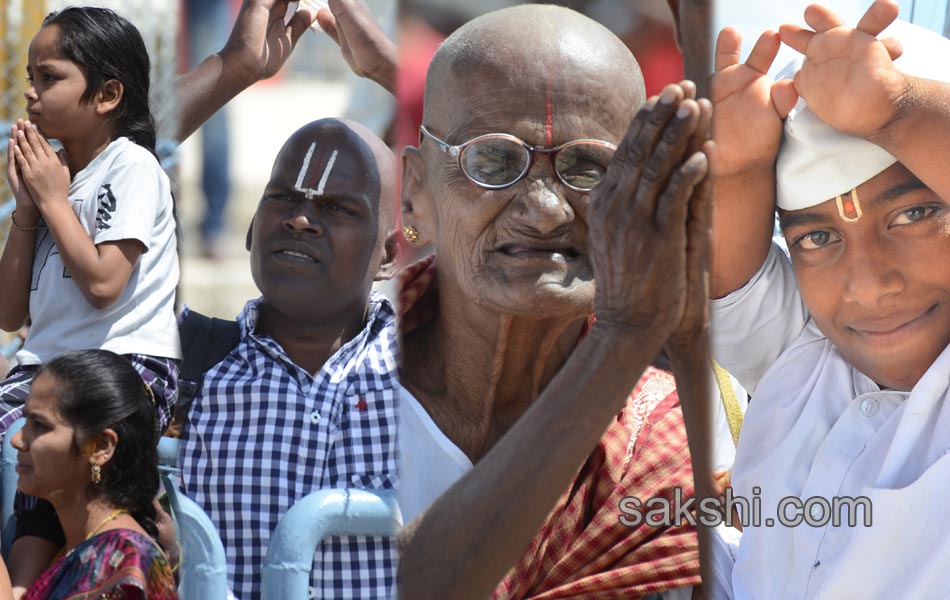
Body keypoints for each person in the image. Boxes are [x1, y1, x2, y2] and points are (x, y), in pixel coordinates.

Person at [396, 5, 714, 598]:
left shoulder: (668, 428)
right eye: (492, 161)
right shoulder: (329, 389)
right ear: (415, 192)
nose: (544, 210)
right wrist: (623, 336)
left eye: (588, 167)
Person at [709, 0, 950, 596]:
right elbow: (727, 280)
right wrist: (738, 170)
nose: (869, 286)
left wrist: (899, 111)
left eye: (915, 214)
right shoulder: (805, 356)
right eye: (817, 238)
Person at [178, 117, 399, 599]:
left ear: (390, 253)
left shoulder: (435, 376)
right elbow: (105, 169)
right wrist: (233, 71)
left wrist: (395, 73)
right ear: (251, 228)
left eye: (337, 208)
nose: (299, 219)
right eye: (282, 198)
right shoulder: (183, 363)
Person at [0, 7, 181, 593]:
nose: (30, 93)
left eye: (49, 78)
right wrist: (28, 214)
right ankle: (26, 586)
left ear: (107, 94)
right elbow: (8, 315)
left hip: (124, 369)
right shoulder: (59, 178)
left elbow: (105, 286)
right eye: (30, 76)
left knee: (23, 436)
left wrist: (53, 201)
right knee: (29, 475)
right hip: (47, 370)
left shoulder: (131, 167)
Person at [2, 350, 177, 599]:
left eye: (39, 425)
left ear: (101, 447)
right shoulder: (77, 548)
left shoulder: (124, 563)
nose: (17, 440)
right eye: (25, 422)